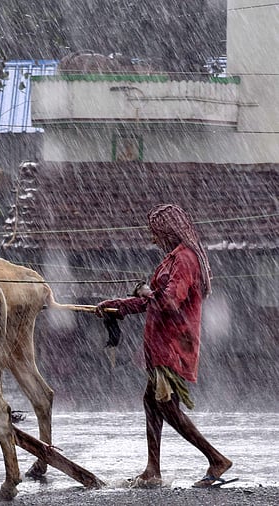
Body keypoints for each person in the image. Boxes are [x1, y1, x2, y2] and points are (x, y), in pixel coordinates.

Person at [96, 204, 232, 489]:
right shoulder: (172, 259)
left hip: (173, 345)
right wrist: (116, 305)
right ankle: (152, 469)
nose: (153, 239)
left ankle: (216, 458)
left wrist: (144, 291)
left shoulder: (184, 259)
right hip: (161, 345)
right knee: (152, 402)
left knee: (167, 407)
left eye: (156, 233)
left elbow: (168, 301)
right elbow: (154, 300)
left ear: (169, 231)